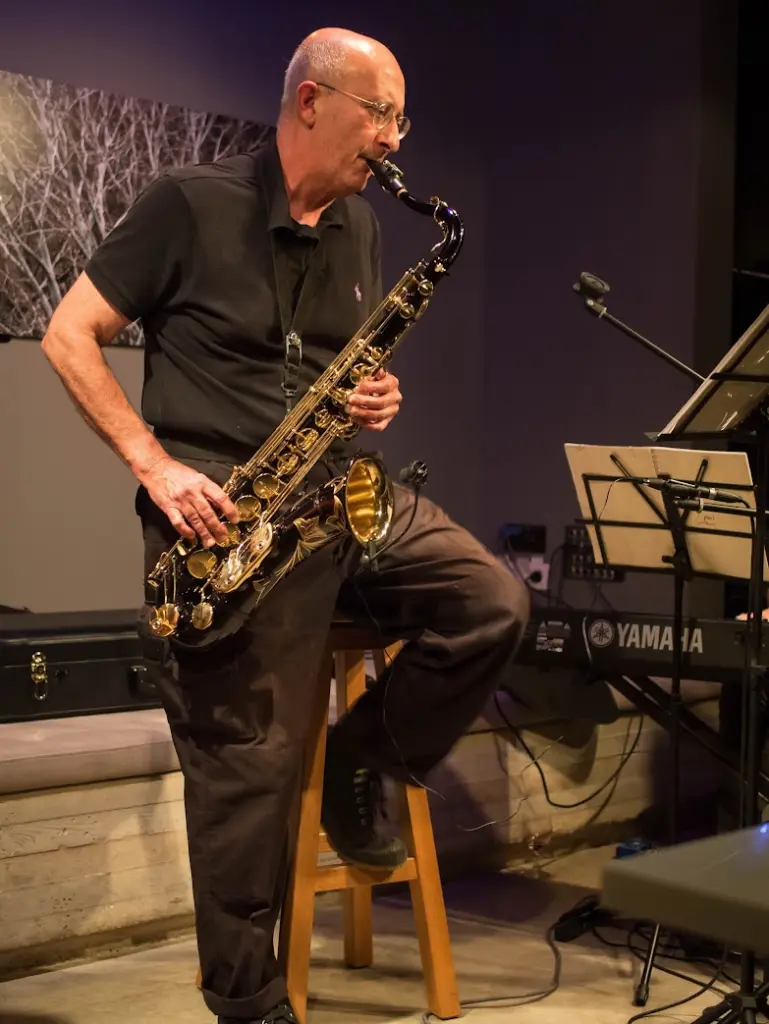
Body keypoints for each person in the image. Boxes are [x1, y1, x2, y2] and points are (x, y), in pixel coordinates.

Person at [41, 26, 529, 1024]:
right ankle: (249, 1000)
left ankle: (362, 758)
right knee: (249, 767)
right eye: (380, 114)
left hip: (339, 496)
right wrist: (153, 463)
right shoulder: (187, 204)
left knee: (492, 602)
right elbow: (68, 333)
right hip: (225, 521)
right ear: (311, 102)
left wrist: (376, 396)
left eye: (401, 122)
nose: (392, 139)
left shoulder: (361, 226)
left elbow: (341, 369)